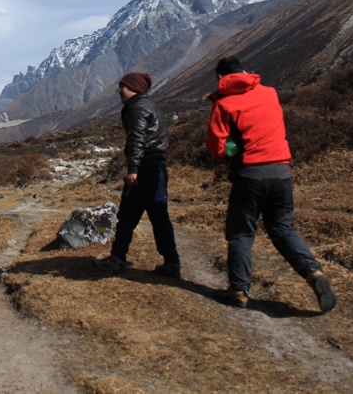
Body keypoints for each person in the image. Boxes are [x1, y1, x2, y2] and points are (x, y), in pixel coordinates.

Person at [207, 56, 336, 312]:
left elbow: (216, 146)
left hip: (250, 173)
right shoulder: (270, 93)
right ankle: (314, 272)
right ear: (244, 71)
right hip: (281, 170)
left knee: (241, 232)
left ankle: (238, 290)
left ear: (220, 78)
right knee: (284, 228)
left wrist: (230, 154)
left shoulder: (224, 103)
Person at [93, 72, 181, 278]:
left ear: (133, 87)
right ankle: (172, 262)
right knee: (159, 217)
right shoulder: (151, 106)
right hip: (158, 169)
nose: (119, 92)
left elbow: (137, 139)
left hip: (143, 170)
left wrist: (133, 169)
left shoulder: (138, 108)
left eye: (122, 87)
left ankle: (117, 258)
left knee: (127, 216)